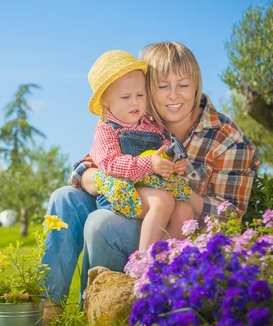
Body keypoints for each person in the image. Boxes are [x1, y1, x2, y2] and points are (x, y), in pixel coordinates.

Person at [42, 41, 259, 319]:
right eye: (161, 86)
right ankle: (49, 306)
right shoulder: (138, 116)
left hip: (173, 228)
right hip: (131, 201)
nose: (173, 96)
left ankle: (99, 308)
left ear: (196, 86)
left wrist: (175, 189)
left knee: (101, 223)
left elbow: (227, 220)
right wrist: (94, 177)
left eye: (183, 85)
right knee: (64, 198)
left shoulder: (228, 141)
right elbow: (93, 162)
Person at [85, 50, 201, 251]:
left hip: (151, 192)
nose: (135, 102)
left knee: (184, 210)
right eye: (125, 97)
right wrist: (150, 164)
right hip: (121, 192)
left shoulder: (153, 126)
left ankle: (165, 261)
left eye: (140, 95)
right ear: (105, 100)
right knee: (163, 200)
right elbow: (110, 163)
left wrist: (175, 165)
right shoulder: (106, 129)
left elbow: (165, 152)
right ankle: (143, 264)